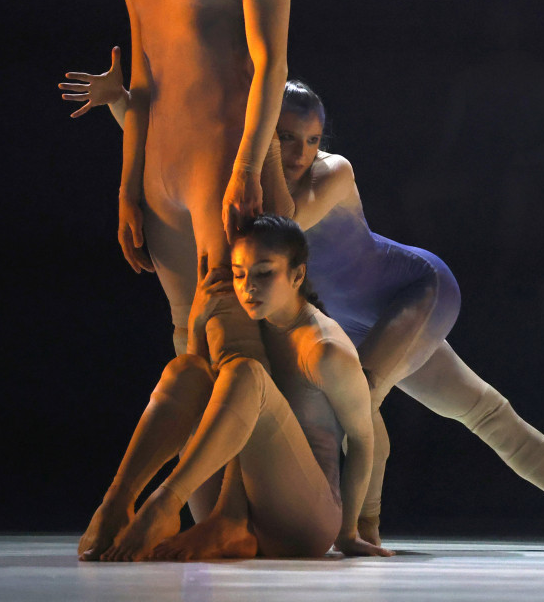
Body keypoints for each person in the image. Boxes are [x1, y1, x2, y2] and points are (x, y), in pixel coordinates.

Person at [62, 65, 544, 554]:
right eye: (286, 138)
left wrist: (244, 147)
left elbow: (271, 222)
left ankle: (371, 529)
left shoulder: (332, 173)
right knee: (483, 408)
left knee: (371, 401)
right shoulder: (252, 178)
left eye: (310, 140)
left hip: (413, 292)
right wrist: (125, 107)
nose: (300, 152)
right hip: (354, 319)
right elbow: (186, 169)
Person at [92, 0, 289, 367]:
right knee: (188, 345)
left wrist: (247, 168)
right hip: (162, 180)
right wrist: (129, 191)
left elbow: (271, 65)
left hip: (222, 168)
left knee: (241, 343)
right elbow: (144, 87)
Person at [79, 215, 392, 561]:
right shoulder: (251, 322)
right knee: (187, 370)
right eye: (239, 274)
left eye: (264, 273)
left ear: (297, 275)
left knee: (247, 373)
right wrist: (198, 321)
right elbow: (205, 398)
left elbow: (364, 440)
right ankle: (118, 501)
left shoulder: (324, 349)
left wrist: (349, 532)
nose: (248, 287)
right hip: (225, 504)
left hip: (303, 520)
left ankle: (165, 503)